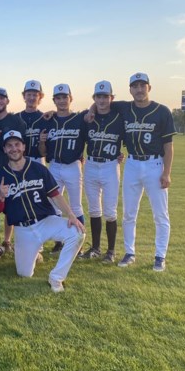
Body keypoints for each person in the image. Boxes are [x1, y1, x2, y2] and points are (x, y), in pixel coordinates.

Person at [0, 131, 86, 293]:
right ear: (5, 149)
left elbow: (55, 195)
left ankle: (56, 277)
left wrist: (71, 215)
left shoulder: (38, 168)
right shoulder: (0, 175)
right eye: (9, 145)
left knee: (77, 233)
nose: (14, 148)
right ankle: (34, 253)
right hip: (23, 229)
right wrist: (1, 196)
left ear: (23, 146)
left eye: (17, 144)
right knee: (24, 274)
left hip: (46, 221)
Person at [117, 73, 177, 272]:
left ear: (149, 88)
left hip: (154, 165)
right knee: (128, 213)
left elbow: (169, 146)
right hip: (133, 164)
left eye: (143, 85)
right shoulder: (125, 108)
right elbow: (100, 104)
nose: (139, 89)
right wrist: (91, 110)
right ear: (130, 90)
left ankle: (160, 256)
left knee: (160, 215)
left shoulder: (161, 111)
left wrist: (166, 173)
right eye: (135, 86)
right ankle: (129, 252)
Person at [78, 81, 126, 263]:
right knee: (94, 209)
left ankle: (111, 251)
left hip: (109, 166)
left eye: (105, 96)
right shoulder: (87, 117)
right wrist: (91, 109)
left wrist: (119, 154)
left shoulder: (120, 117)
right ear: (94, 98)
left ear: (111, 98)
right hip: (90, 164)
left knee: (110, 211)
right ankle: (96, 248)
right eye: (98, 96)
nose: (102, 100)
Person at [38, 84, 87, 255]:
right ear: (54, 100)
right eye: (58, 98)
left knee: (76, 205)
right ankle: (59, 242)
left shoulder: (79, 118)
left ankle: (79, 242)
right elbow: (43, 152)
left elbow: (93, 137)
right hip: (54, 165)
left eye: (64, 97)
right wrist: (42, 141)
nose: (61, 100)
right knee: (53, 205)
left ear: (70, 98)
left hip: (73, 165)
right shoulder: (49, 120)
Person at [0, 88, 28, 256]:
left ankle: (7, 240)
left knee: (12, 205)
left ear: (7, 101)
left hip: (12, 168)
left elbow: (23, 146)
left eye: (2, 98)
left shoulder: (16, 121)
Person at [20, 80, 48, 164]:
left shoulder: (45, 118)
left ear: (40, 97)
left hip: (38, 159)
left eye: (35, 95)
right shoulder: (16, 118)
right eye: (29, 94)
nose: (31, 98)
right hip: (20, 160)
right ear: (24, 96)